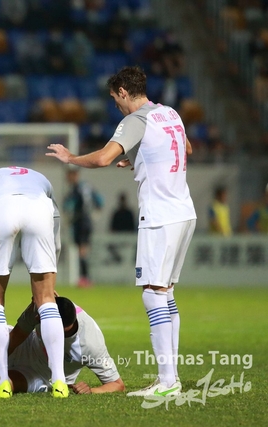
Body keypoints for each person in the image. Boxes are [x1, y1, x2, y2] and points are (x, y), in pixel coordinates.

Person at [46, 65, 196, 397]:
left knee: (152, 293)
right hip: (185, 212)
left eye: (116, 99)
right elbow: (186, 149)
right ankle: (170, 378)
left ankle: (168, 382)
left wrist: (70, 158)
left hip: (160, 216)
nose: (117, 106)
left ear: (124, 92)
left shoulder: (136, 120)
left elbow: (102, 159)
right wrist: (142, 156)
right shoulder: (169, 113)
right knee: (166, 293)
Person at [0, 166, 67, 399]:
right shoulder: (42, 179)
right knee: (46, 301)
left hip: (2, 210)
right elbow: (56, 231)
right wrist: (51, 273)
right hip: (38, 210)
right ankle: (59, 382)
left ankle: (2, 383)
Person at [64, 168, 103, 287]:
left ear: (74, 175)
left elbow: (69, 205)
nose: (67, 179)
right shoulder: (87, 187)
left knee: (82, 251)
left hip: (80, 221)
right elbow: (100, 200)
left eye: (69, 175)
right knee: (83, 250)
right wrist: (96, 213)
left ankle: (85, 278)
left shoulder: (77, 189)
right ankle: (85, 277)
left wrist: (69, 217)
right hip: (86, 221)